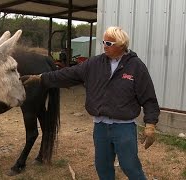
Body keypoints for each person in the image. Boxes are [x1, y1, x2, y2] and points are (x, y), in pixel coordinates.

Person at [21, 26, 160, 180]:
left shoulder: (136, 67)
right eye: (103, 42)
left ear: (121, 45)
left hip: (124, 127)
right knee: (103, 167)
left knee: (130, 167)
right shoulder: (94, 64)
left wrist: (151, 124)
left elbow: (149, 97)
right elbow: (67, 74)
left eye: (109, 43)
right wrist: (41, 77)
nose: (104, 46)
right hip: (100, 127)